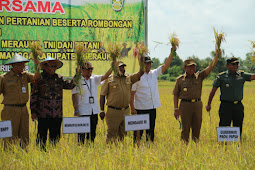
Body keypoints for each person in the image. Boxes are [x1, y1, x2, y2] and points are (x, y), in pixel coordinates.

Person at [173, 49, 221, 143]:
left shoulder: (200, 76)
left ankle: (196, 146)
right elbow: (175, 94)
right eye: (190, 67)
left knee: (197, 126)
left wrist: (217, 56)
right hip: (185, 105)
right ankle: (184, 147)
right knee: (185, 127)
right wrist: (176, 109)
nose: (192, 69)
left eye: (193, 67)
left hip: (197, 105)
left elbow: (210, 67)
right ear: (185, 68)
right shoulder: (180, 80)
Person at [130, 46, 176, 143]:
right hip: (140, 109)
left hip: (151, 108)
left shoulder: (154, 73)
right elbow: (132, 94)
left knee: (150, 132)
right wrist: (132, 108)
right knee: (138, 133)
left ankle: (149, 148)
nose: (148, 65)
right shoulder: (136, 77)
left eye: (149, 64)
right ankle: (136, 150)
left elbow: (165, 66)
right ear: (142, 64)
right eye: (146, 64)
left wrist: (172, 53)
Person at [30, 57, 75, 151]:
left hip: (57, 113)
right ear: (45, 67)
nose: (53, 68)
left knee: (55, 137)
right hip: (43, 113)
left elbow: (70, 86)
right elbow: (33, 95)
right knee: (42, 136)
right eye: (50, 66)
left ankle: (53, 153)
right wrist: (33, 111)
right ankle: (40, 154)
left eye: (54, 66)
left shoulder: (59, 78)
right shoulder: (39, 79)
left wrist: (77, 74)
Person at [206, 57, 255, 138]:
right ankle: (223, 146)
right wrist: (208, 104)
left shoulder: (242, 75)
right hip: (226, 106)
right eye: (233, 64)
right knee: (224, 126)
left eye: (237, 64)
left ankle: (236, 145)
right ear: (227, 66)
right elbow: (213, 91)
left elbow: (253, 77)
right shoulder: (222, 77)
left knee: (238, 125)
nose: (236, 66)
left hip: (238, 105)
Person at [0, 53, 39, 149]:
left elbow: (36, 78)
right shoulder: (4, 78)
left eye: (24, 64)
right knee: (8, 134)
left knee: (24, 133)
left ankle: (23, 153)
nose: (23, 66)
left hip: (23, 110)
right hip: (9, 110)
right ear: (14, 65)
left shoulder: (25, 76)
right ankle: (8, 154)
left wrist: (37, 65)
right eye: (21, 64)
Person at [100, 60, 144, 143]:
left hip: (125, 111)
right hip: (113, 111)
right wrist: (102, 110)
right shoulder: (109, 80)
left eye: (123, 67)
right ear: (115, 68)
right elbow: (102, 95)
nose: (122, 68)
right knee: (111, 134)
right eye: (120, 67)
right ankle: (110, 152)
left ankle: (120, 152)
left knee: (123, 134)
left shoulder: (128, 78)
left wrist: (141, 62)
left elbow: (140, 73)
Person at [71, 61, 112, 144]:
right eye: (88, 69)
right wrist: (76, 110)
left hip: (93, 111)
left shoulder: (94, 79)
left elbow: (105, 76)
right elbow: (74, 97)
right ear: (82, 70)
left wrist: (112, 67)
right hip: (83, 112)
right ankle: (81, 152)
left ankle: (90, 149)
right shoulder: (77, 81)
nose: (90, 70)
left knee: (92, 134)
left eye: (91, 69)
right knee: (81, 136)